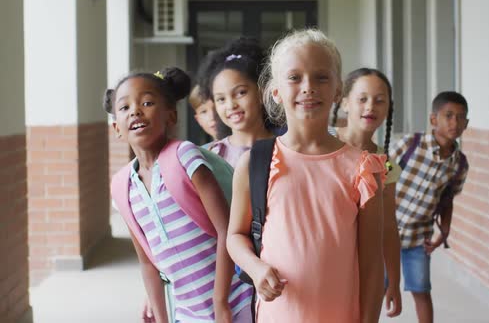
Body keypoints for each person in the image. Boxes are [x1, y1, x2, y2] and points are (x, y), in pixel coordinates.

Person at [226, 29, 386, 323]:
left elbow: (372, 265)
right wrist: (256, 267)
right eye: (294, 77)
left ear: (338, 90)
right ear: (275, 91)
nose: (308, 87)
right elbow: (235, 236)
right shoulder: (256, 162)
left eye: (321, 77)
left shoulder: (362, 168)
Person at [105, 67, 252, 322]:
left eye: (147, 103)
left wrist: (221, 304)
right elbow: (148, 264)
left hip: (235, 302)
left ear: (170, 115)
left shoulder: (185, 155)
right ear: (117, 127)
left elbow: (225, 230)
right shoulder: (122, 186)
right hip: (187, 313)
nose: (136, 111)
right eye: (125, 107)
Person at [391, 91, 470, 323]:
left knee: (421, 291)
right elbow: (378, 177)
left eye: (460, 117)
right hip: (384, 233)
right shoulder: (410, 144)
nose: (454, 122)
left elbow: (447, 201)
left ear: (467, 123)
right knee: (376, 288)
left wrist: (443, 233)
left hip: (418, 238)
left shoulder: (459, 165)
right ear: (433, 119)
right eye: (448, 116)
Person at [331, 68, 402, 318]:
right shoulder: (321, 141)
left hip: (362, 270)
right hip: (322, 261)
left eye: (379, 100)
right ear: (345, 104)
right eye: (362, 99)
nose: (371, 106)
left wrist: (394, 280)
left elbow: (389, 227)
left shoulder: (387, 164)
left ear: (388, 108)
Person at [197, 37, 274, 167]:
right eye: (221, 99)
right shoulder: (210, 156)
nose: (231, 105)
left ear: (262, 93)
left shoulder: (287, 147)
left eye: (240, 93)